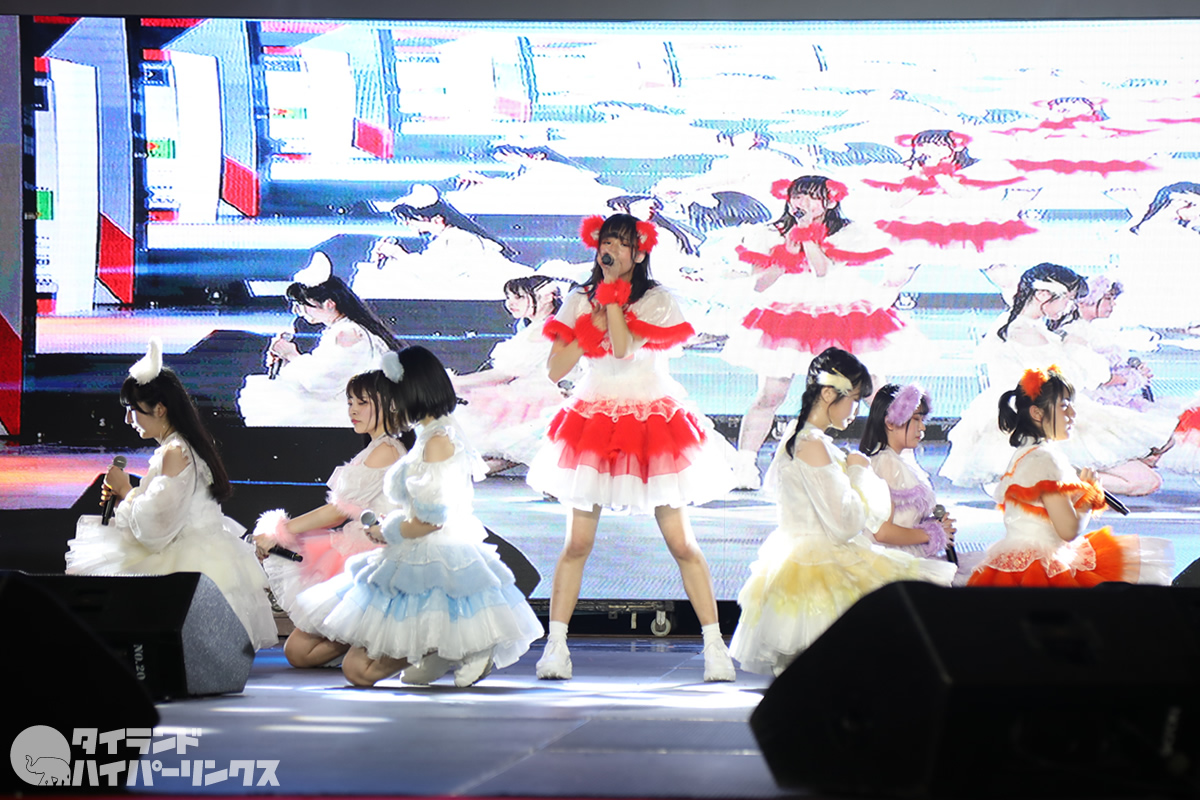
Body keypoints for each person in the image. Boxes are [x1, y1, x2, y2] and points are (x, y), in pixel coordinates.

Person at [526, 213, 737, 682]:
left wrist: (612, 301)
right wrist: (588, 327)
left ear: (639, 254)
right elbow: (555, 369)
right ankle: (556, 647)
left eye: (622, 244)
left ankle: (714, 647)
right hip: (592, 419)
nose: (612, 251)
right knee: (577, 543)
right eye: (607, 242)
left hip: (652, 421)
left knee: (681, 542)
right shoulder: (579, 299)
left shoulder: (657, 300)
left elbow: (622, 349)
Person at [288, 346, 543, 687]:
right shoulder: (432, 435)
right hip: (411, 549)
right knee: (351, 665)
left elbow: (432, 519)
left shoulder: (437, 440)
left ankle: (453, 646)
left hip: (427, 556)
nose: (390, 404)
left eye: (392, 394)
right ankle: (440, 649)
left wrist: (386, 531)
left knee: (358, 670)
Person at [728, 349, 955, 676]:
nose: (857, 410)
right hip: (820, 565)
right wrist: (859, 471)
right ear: (828, 394)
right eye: (855, 399)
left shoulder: (801, 439)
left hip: (803, 561)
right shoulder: (813, 444)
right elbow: (845, 523)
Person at [67, 339, 278, 649]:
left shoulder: (175, 451)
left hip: (186, 557)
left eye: (133, 410)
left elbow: (157, 524)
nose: (128, 420)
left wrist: (125, 489)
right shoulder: (182, 446)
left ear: (160, 408)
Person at [719, 174, 909, 489]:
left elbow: (823, 271)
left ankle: (899, 460)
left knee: (872, 389)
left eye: (811, 196)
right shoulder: (768, 233)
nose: (801, 202)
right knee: (771, 394)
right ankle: (745, 466)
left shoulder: (849, 232)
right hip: (787, 314)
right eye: (797, 196)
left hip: (842, 312)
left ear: (831, 202)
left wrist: (807, 236)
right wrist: (785, 253)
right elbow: (760, 283)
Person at [940, 263, 1174, 495]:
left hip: (1055, 417)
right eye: (1066, 298)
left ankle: (1049, 482)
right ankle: (1043, 481)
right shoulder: (1022, 331)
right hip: (1039, 423)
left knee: (1148, 474)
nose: (1069, 306)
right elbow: (1065, 379)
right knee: (1146, 473)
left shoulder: (1033, 328)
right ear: (1043, 294)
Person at [251, 370, 412, 667]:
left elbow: (338, 511)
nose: (353, 410)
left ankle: (388, 639)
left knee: (300, 652)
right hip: (361, 545)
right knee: (298, 652)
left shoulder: (386, 449)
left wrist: (280, 531)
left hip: (375, 555)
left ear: (389, 405)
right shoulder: (378, 447)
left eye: (362, 403)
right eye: (350, 402)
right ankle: (369, 637)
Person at [967, 366, 1172, 587]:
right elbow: (1068, 530)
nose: (1073, 414)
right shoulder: (1046, 460)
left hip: (1020, 561)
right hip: (1043, 567)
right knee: (1141, 569)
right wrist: (1089, 496)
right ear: (1037, 413)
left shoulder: (1025, 453)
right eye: (1064, 406)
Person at [239, 253, 402, 427]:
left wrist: (291, 354)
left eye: (303, 305)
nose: (298, 311)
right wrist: (286, 360)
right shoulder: (343, 330)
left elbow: (323, 381)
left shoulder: (348, 333)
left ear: (329, 304)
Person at [453, 275, 574, 473]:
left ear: (546, 298)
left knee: (505, 447)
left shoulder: (545, 329)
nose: (510, 304)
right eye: (508, 298)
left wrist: (458, 382)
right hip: (533, 397)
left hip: (538, 400)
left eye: (518, 297)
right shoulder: (539, 327)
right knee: (497, 454)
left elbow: (506, 373)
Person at [351, 184, 532, 300]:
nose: (407, 224)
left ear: (437, 220)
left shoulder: (461, 239)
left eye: (411, 220)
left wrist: (399, 254)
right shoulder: (446, 238)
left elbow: (436, 273)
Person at [859, 383, 959, 566]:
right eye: (916, 419)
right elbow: (882, 531)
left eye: (923, 420)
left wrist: (933, 525)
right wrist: (934, 533)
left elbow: (901, 520)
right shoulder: (886, 463)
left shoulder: (894, 461)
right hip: (892, 564)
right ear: (890, 423)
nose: (922, 428)